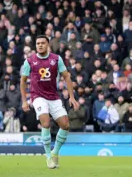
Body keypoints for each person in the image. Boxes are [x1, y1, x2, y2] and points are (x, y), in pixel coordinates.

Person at [20, 35, 79, 170]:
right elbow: (23, 81)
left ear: (48, 45)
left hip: (53, 97)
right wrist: (24, 100)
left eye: (42, 43)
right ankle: (48, 157)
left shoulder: (56, 59)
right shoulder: (29, 61)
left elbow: (67, 77)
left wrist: (71, 96)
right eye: (37, 43)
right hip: (38, 96)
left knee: (65, 125)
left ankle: (55, 152)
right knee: (45, 123)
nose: (40, 45)